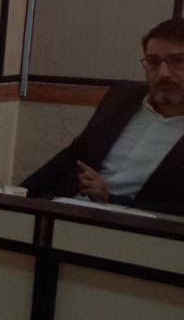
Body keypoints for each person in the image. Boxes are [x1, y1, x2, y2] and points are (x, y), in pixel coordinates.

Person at [22, 17, 184, 214]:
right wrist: (19, 195)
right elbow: (73, 155)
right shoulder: (123, 96)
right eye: (153, 62)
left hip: (135, 226)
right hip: (67, 208)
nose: (163, 73)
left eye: (178, 61)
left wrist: (110, 199)